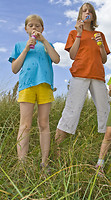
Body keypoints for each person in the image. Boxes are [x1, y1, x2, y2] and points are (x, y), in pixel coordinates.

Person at [55, 2, 110, 153]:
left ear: (93, 16)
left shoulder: (100, 35)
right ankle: (57, 149)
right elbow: (72, 55)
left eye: (89, 11)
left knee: (105, 111)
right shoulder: (73, 33)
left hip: (98, 76)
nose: (86, 13)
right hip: (80, 74)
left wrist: (100, 46)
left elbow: (104, 59)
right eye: (84, 11)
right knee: (72, 110)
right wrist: (79, 33)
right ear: (80, 15)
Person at [8, 14, 60, 168]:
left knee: (44, 123)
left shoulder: (46, 44)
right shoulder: (19, 45)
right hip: (26, 86)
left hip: (45, 85)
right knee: (25, 125)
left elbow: (56, 59)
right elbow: (14, 69)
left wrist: (44, 41)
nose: (34, 28)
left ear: (42, 29)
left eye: (37, 26)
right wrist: (25, 48)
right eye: (31, 26)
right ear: (26, 29)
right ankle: (22, 164)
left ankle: (44, 162)